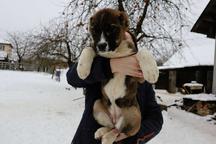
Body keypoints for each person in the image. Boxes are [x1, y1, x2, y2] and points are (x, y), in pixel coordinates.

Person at [67, 53, 163, 144]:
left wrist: (133, 136)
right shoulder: (99, 59)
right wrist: (110, 65)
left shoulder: (141, 73)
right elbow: (72, 77)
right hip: (87, 139)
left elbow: (156, 118)